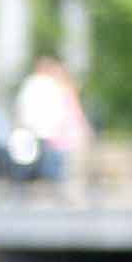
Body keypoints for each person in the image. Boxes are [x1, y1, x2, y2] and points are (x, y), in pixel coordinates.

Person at [10, 53, 93, 181]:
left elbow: (21, 108)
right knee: (51, 172)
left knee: (30, 169)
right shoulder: (51, 85)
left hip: (35, 132)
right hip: (50, 134)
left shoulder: (32, 83)